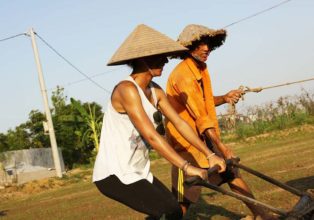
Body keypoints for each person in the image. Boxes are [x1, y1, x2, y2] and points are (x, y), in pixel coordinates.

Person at [92, 24, 226, 220]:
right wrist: (187, 167)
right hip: (113, 175)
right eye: (160, 56)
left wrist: (210, 154)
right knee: (169, 211)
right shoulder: (126, 90)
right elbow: (152, 136)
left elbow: (180, 123)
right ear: (143, 59)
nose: (165, 60)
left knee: (173, 211)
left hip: (138, 171)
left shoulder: (155, 91)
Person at [165, 24, 275, 219]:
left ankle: (262, 216)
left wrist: (224, 98)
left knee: (231, 173)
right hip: (187, 144)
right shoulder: (183, 75)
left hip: (204, 139)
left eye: (208, 44)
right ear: (188, 47)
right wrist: (222, 148)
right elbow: (201, 117)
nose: (206, 48)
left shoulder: (200, 68)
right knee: (183, 200)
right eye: (200, 44)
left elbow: (203, 102)